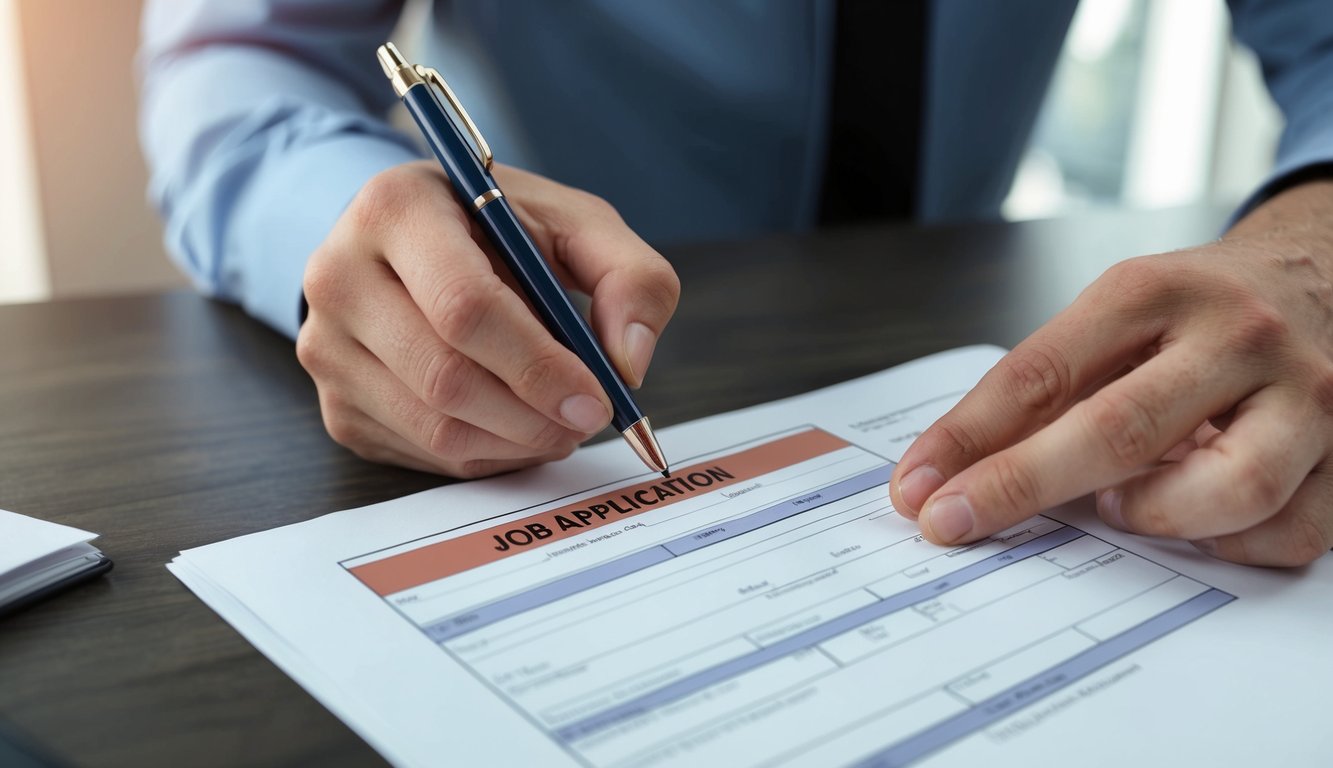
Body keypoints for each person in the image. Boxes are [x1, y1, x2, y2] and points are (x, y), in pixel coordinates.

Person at [138, 1, 1333, 567]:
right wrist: (362, 243)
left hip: (954, 294)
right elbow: (244, 58)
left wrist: (1311, 254)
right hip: (536, 313)